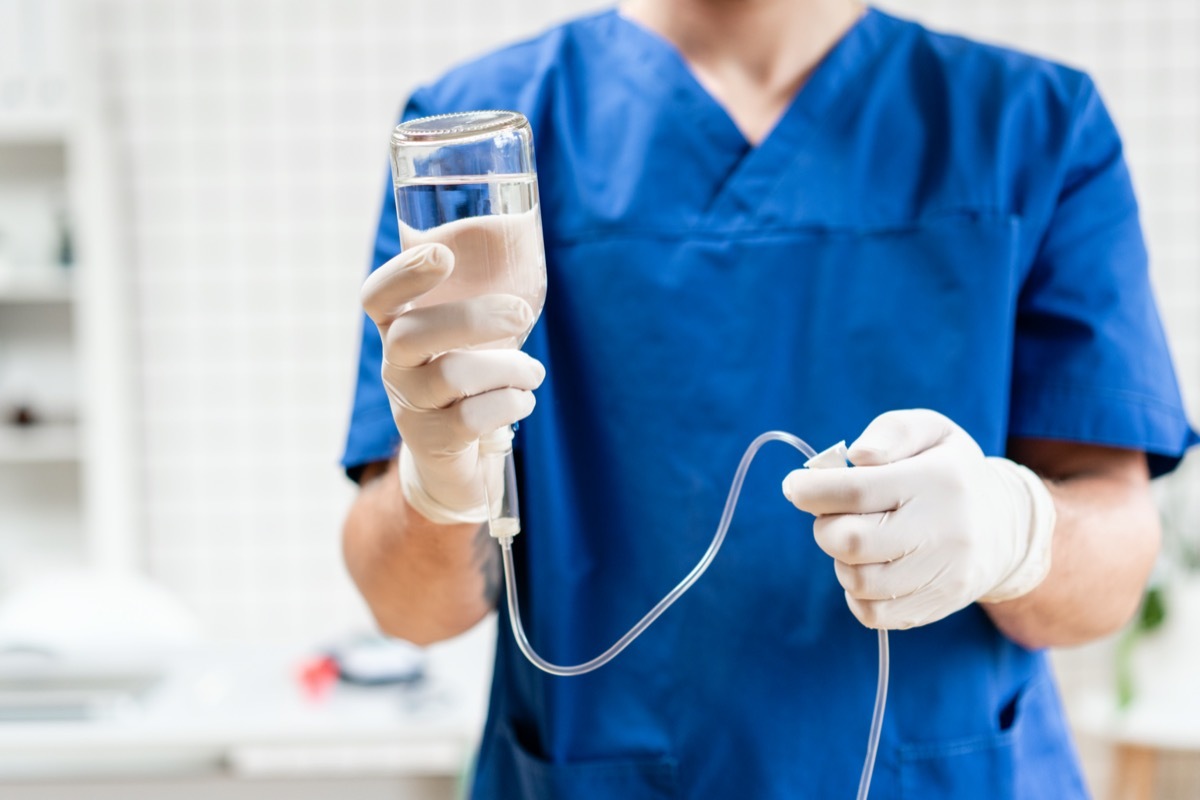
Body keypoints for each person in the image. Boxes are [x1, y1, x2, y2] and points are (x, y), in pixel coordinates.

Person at [341, 0, 1197, 797]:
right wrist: (438, 488)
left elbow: (1113, 563)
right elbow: (407, 605)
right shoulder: (481, 133)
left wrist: (1018, 530)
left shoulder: (1027, 126)